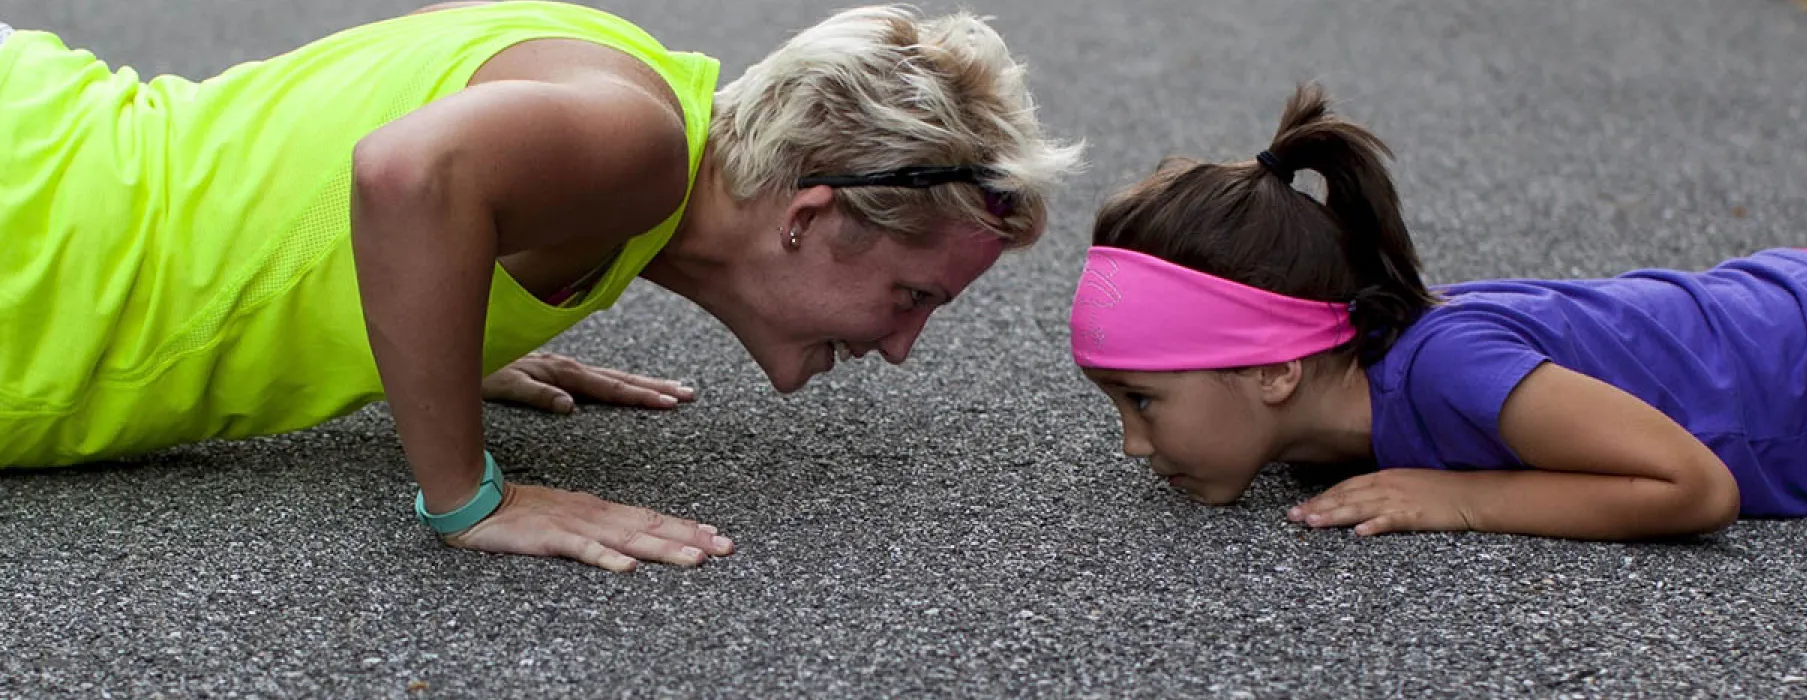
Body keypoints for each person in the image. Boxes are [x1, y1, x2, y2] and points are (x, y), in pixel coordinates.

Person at [0, 1, 1083, 570]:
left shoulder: (630, 84)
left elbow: (351, 131)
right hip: (36, 251)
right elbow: (404, 172)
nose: (903, 346)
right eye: (912, 296)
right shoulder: (640, 146)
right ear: (810, 216)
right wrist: (468, 492)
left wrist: (440, 315)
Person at [1066, 81, 1807, 542]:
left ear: (1277, 368)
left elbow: (1694, 487)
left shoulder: (1448, 368)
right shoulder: (1331, 412)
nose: (1133, 443)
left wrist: (1463, 498)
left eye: (1144, 399)